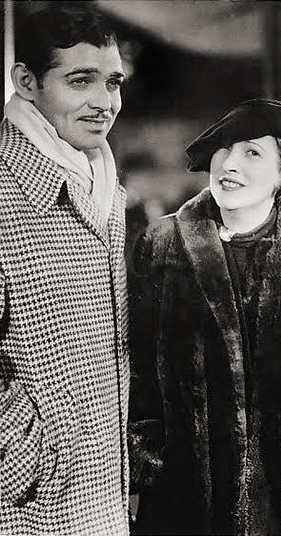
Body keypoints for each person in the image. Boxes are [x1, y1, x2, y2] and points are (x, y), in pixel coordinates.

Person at [127, 98, 281, 535]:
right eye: (223, 150)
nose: (229, 164)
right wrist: (148, 463)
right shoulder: (161, 244)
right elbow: (136, 367)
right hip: (187, 490)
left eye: (252, 152)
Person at [0, 3, 129, 534]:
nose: (104, 102)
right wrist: (23, 454)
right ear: (26, 82)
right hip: (30, 508)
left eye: (113, 82)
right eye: (81, 80)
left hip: (104, 496)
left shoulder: (103, 183)